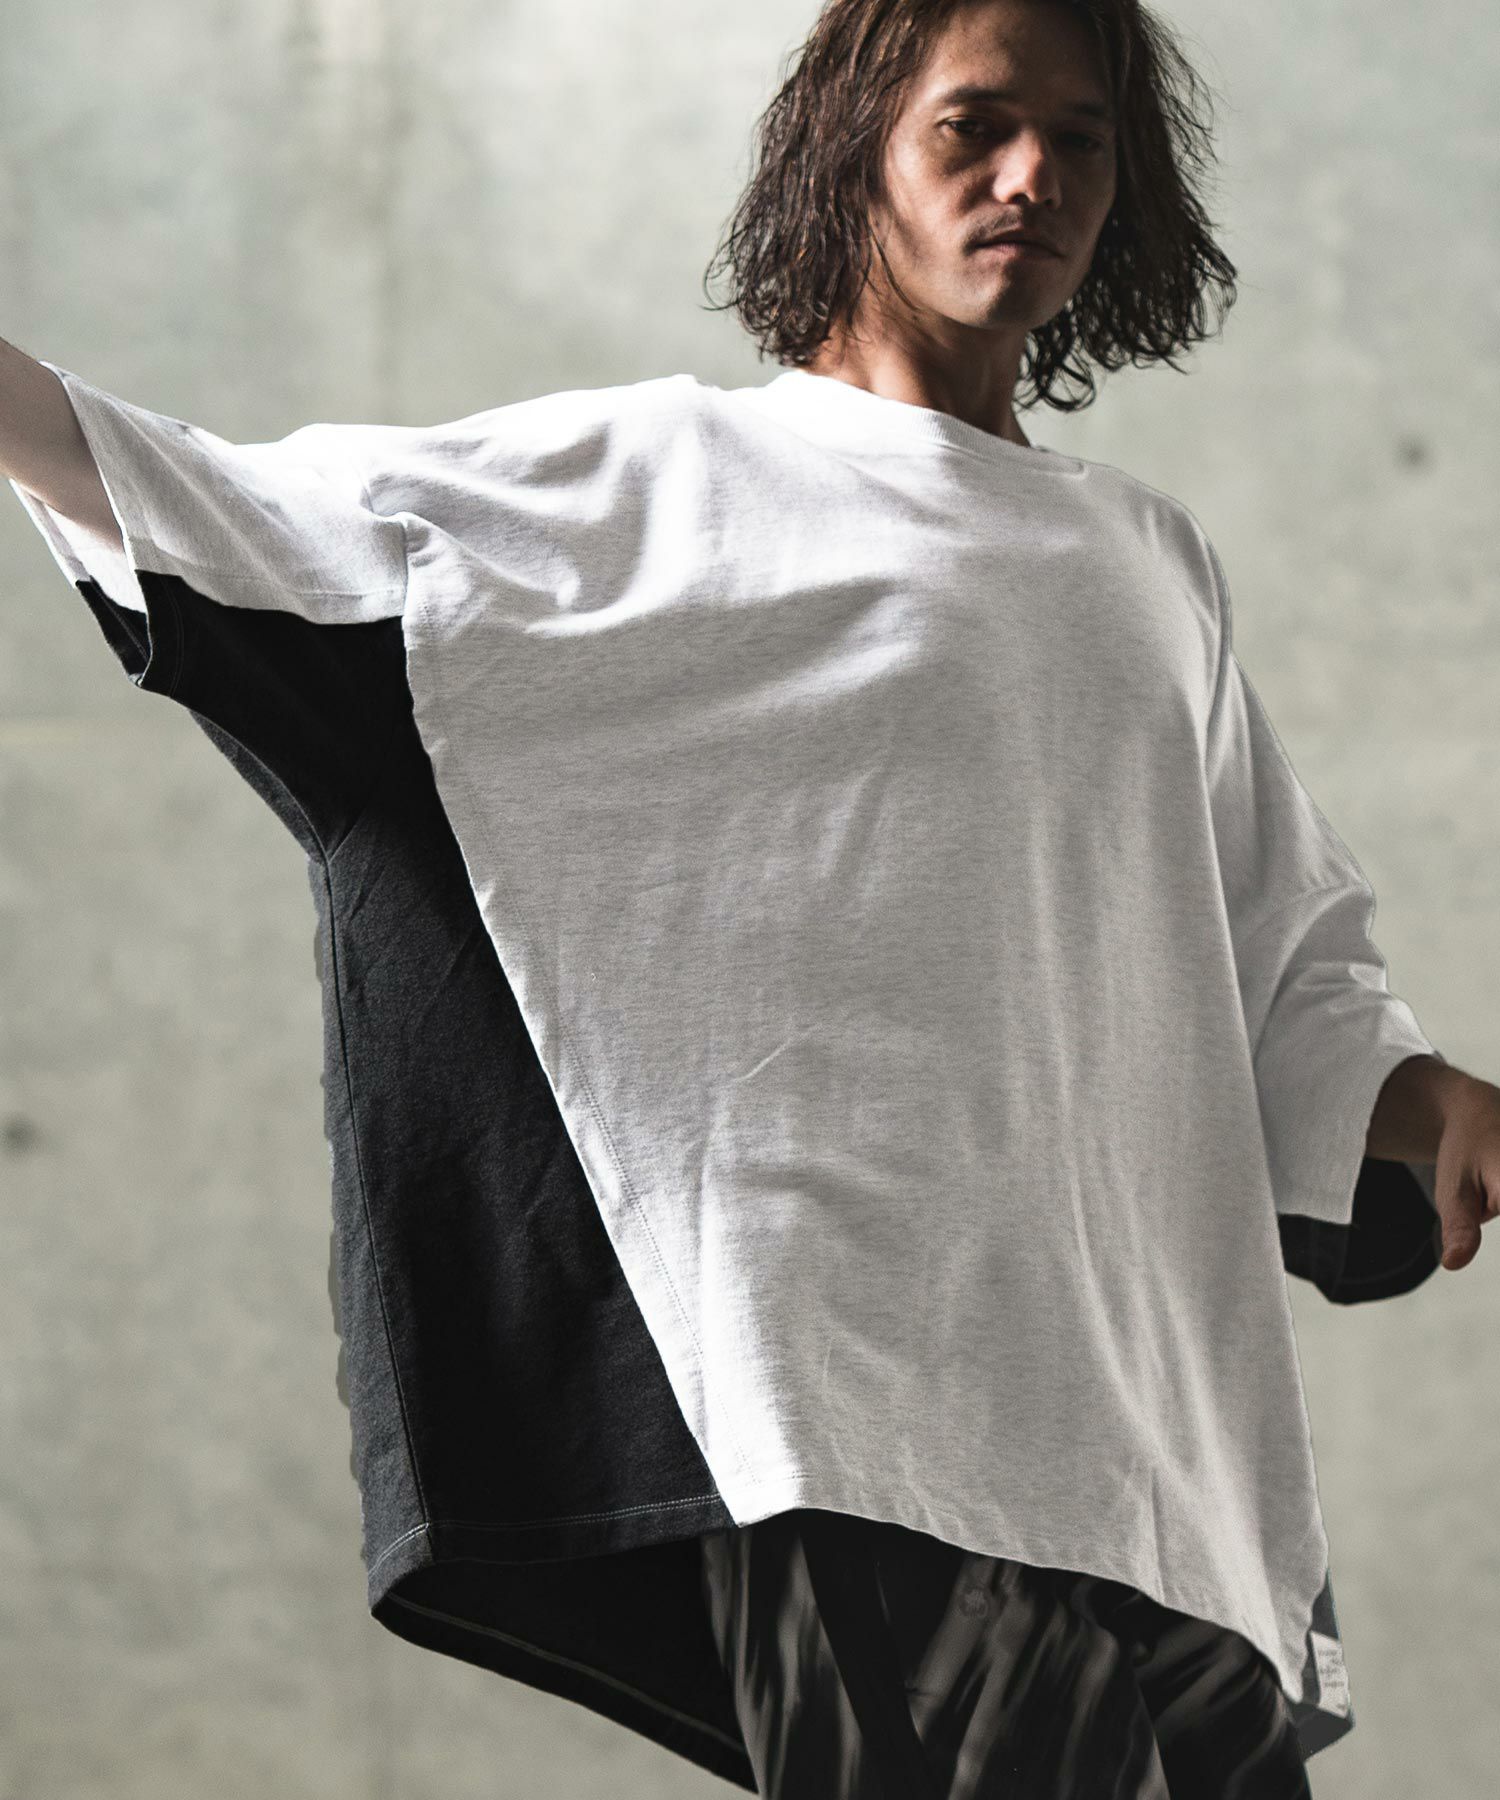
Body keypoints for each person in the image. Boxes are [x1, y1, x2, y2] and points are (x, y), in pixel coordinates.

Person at [5, 1, 1497, 1796]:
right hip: (861, 1409)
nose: (1033, 173)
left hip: (1158, 1445)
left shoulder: (1148, 559)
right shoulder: (672, 483)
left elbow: (1281, 953)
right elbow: (226, 517)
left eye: (1083, 138)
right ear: (857, 151)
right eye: (975, 125)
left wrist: (1415, 1098)